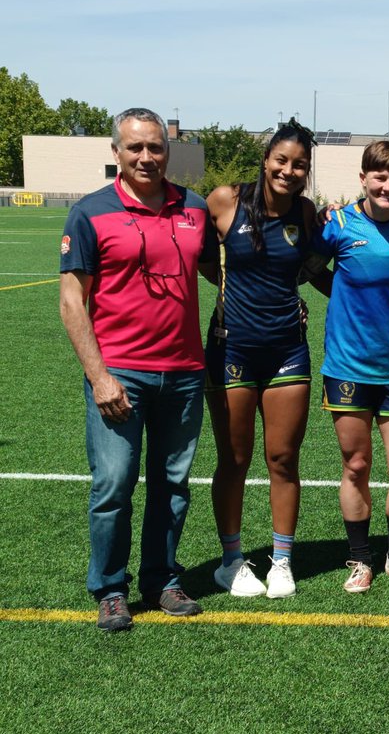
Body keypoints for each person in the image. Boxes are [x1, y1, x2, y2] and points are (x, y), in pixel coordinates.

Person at [59, 107, 210, 630]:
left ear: (168, 151)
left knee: (173, 484)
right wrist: (100, 377)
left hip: (186, 372)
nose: (146, 157)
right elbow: (71, 302)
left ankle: (163, 579)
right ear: (117, 153)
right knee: (114, 484)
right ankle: (110, 587)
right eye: (135, 148)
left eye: (155, 147)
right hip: (121, 373)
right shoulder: (89, 212)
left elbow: (225, 266)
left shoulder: (193, 207)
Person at [200, 120, 321, 599]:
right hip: (232, 348)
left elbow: (310, 268)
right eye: (282, 160)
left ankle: (283, 560)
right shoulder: (226, 200)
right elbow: (208, 263)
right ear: (266, 158)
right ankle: (231, 561)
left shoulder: (306, 213)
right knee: (233, 458)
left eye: (299, 165)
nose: (288, 171)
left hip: (288, 349)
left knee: (283, 458)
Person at [319, 141, 389, 593]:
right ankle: (360, 560)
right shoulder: (339, 223)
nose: (388, 186)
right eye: (380, 177)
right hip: (347, 366)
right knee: (357, 465)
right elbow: (307, 266)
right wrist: (344, 296)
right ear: (363, 178)